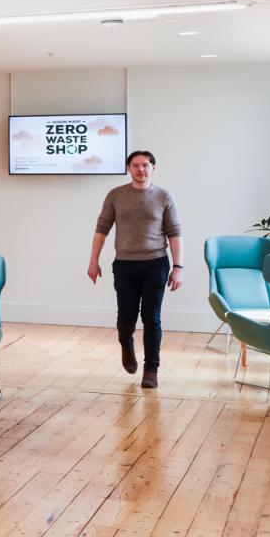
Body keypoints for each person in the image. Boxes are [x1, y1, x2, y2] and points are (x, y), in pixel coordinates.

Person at [88, 149, 183, 389]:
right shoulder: (116, 195)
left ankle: (151, 369)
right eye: (136, 165)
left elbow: (175, 234)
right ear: (129, 168)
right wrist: (93, 260)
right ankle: (126, 344)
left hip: (156, 264)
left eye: (146, 165)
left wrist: (177, 266)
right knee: (126, 318)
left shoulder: (163, 196)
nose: (141, 169)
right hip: (124, 265)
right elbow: (102, 229)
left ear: (153, 168)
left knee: (152, 318)